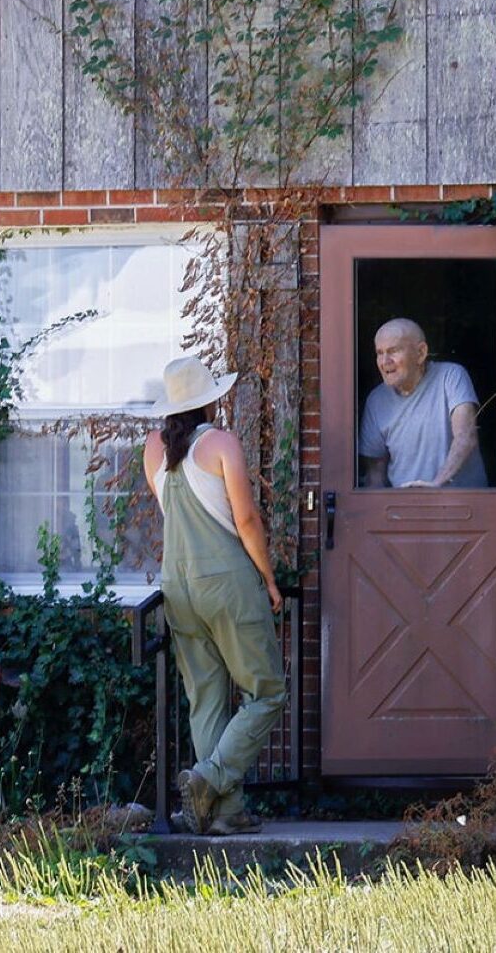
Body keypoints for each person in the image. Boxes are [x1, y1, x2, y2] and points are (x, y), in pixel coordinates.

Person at [143, 356, 286, 836]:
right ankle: (210, 777)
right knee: (267, 692)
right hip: (225, 581)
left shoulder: (153, 449)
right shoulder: (221, 443)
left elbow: (175, 514)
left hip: (177, 584)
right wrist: (268, 579)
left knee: (205, 700)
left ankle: (224, 812)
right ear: (210, 401)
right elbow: (245, 520)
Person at [358, 318, 487, 488]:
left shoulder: (451, 376)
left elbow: (466, 437)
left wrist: (436, 484)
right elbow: (375, 472)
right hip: (404, 502)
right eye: (379, 353)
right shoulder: (376, 400)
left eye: (393, 351)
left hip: (462, 501)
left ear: (421, 353)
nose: (384, 361)